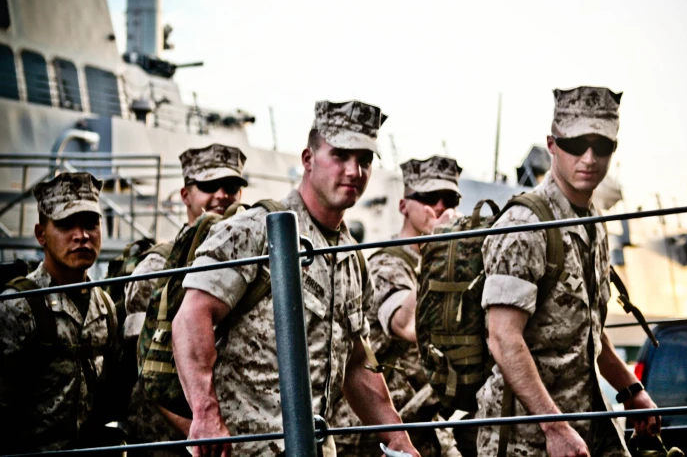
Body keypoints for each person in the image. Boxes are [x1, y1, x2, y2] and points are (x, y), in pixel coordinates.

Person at [172, 100, 420, 456]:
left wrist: (397, 437)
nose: (354, 171)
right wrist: (205, 413)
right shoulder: (255, 229)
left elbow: (355, 363)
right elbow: (192, 314)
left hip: (315, 446)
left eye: (364, 160)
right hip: (244, 448)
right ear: (308, 159)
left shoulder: (350, 258)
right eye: (340, 156)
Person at [478, 86, 661, 457]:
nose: (589, 158)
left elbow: (586, 329)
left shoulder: (593, 221)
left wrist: (630, 388)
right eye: (576, 144)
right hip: (525, 440)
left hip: (588, 427)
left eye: (602, 145)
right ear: (552, 144)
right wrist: (555, 426)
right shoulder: (524, 224)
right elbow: (502, 337)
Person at [334, 155, 463, 457]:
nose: (441, 206)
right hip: (374, 430)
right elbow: (407, 326)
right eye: (430, 197)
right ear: (404, 205)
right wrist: (438, 250)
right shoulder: (386, 264)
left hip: (425, 420)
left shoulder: (445, 264)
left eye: (450, 198)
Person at [123, 144, 247, 455]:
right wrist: (202, 434)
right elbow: (143, 367)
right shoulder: (156, 268)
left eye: (231, 187)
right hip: (169, 440)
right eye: (208, 186)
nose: (221, 195)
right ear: (185, 195)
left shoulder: (247, 259)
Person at [0, 172, 119, 453]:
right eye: (66, 225)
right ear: (41, 235)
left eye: (91, 224)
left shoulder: (105, 307)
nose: (82, 236)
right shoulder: (19, 306)